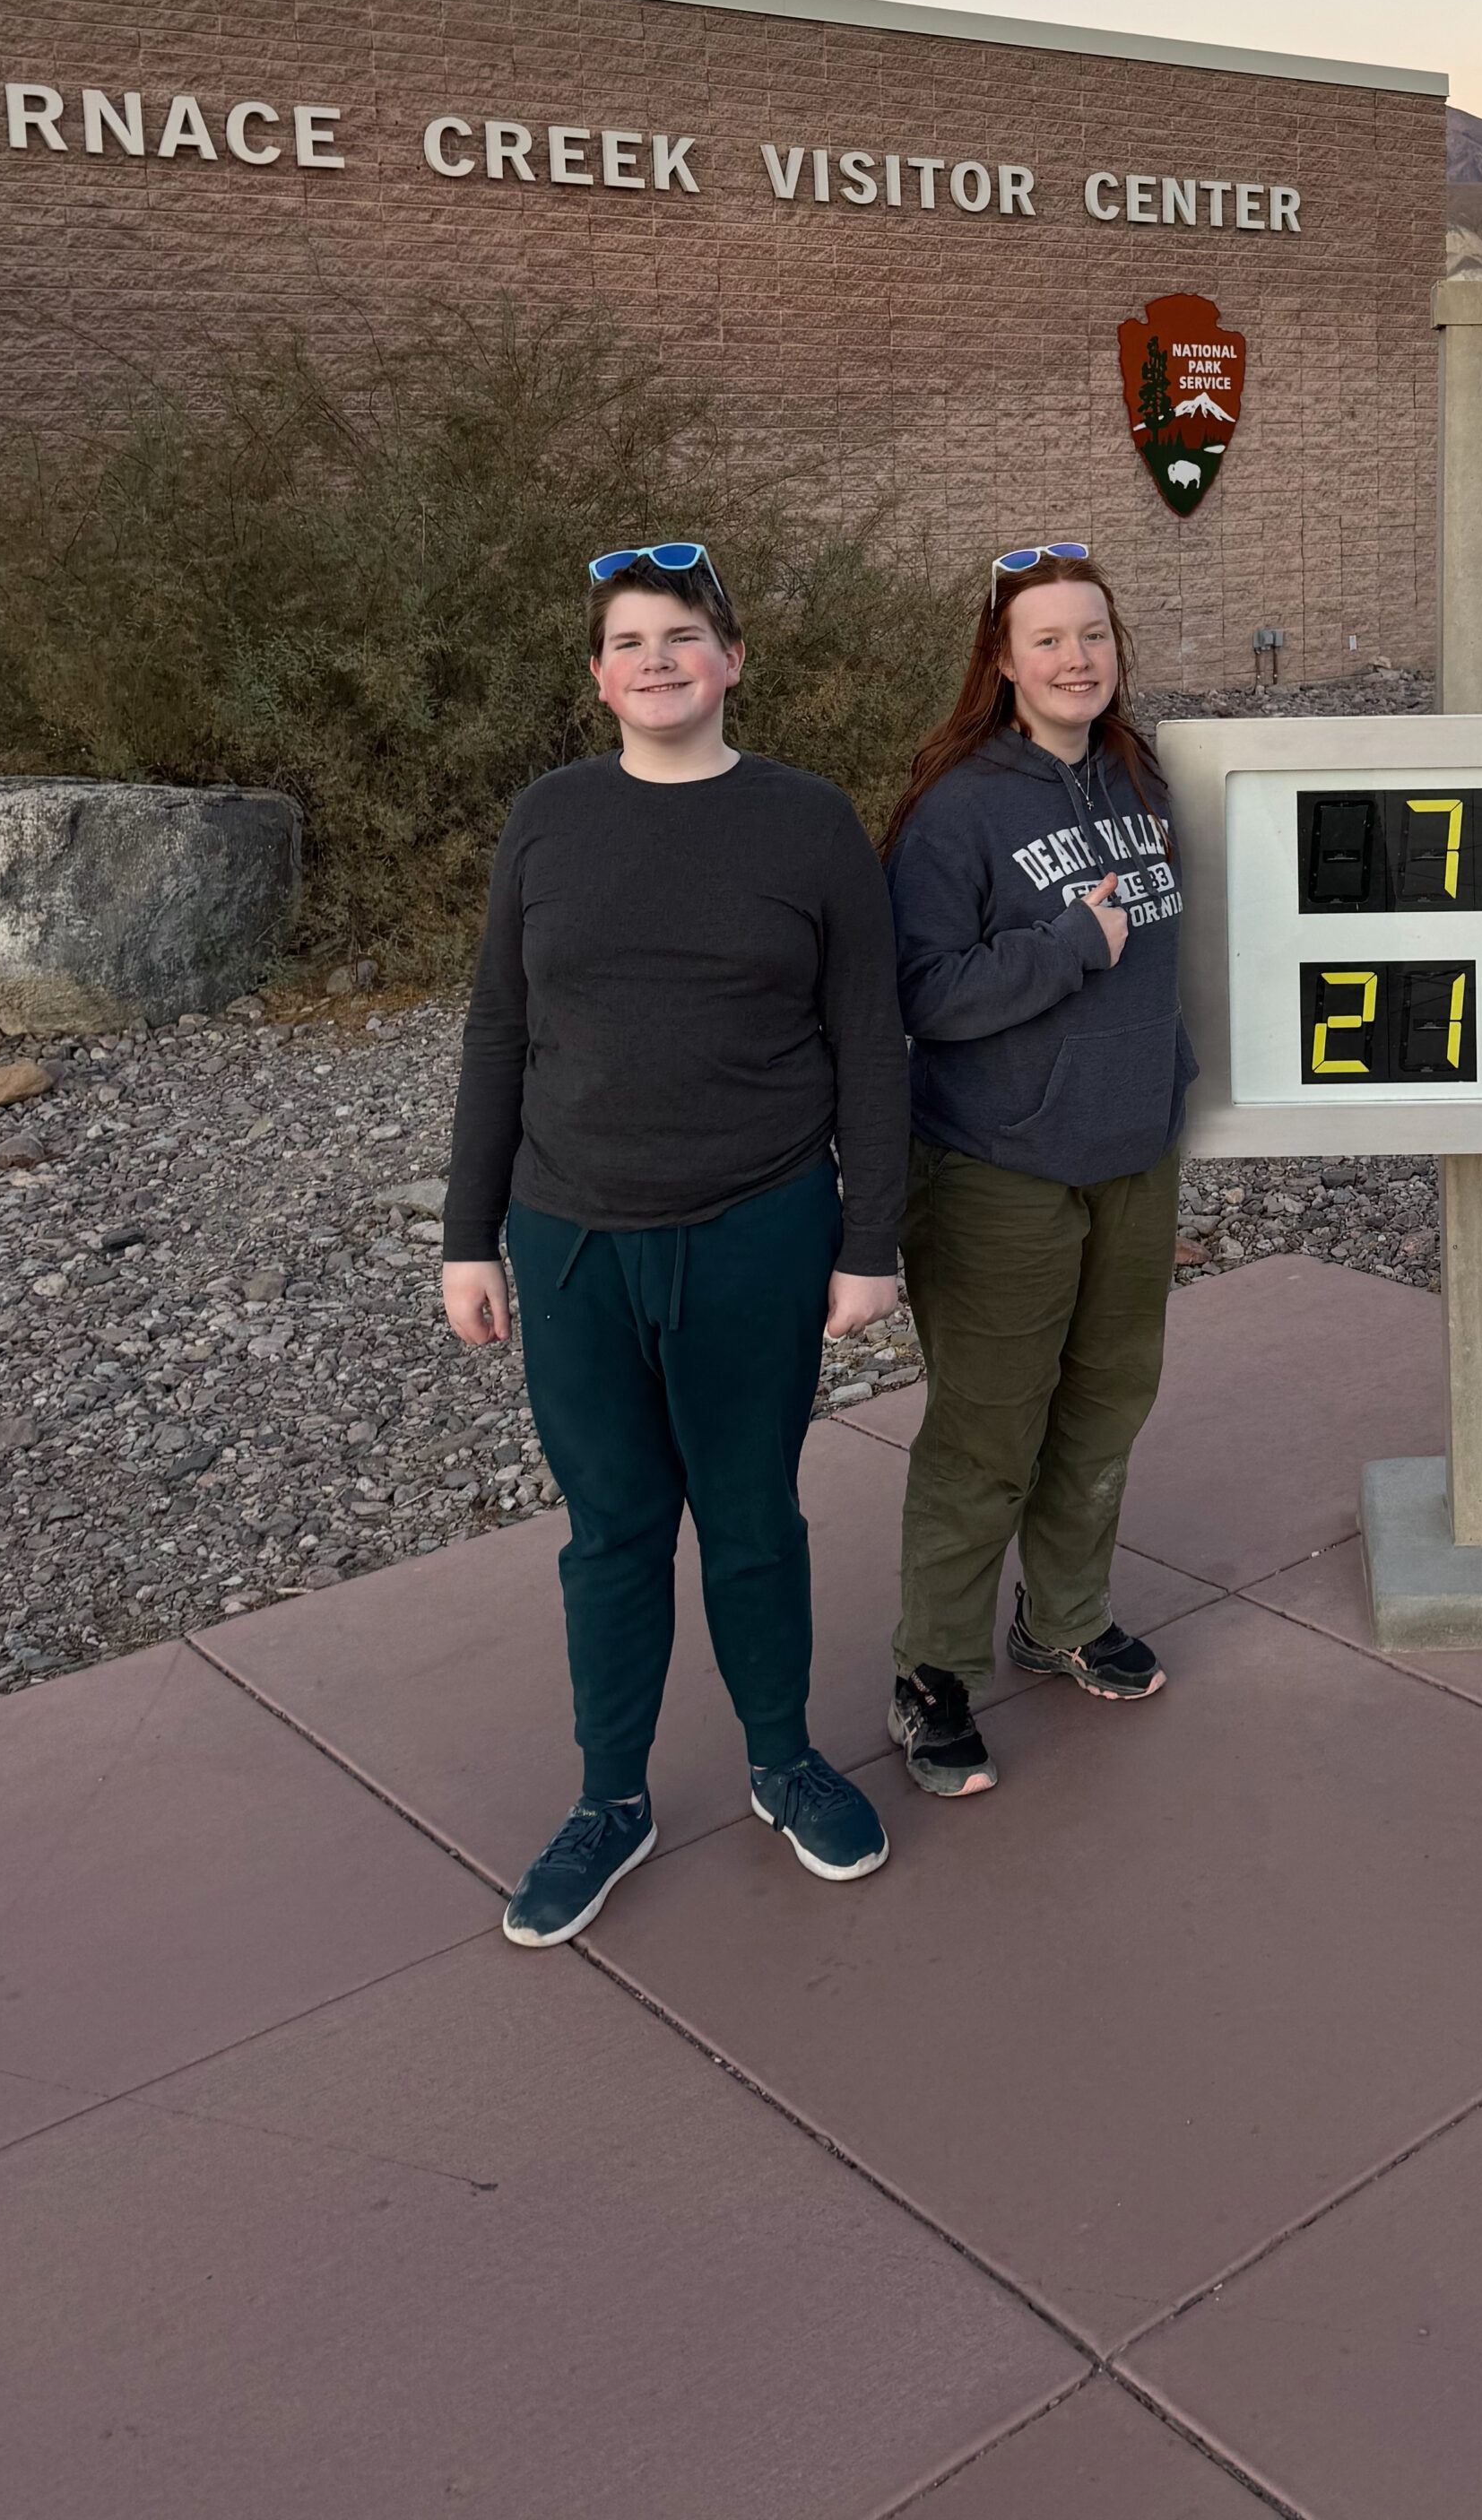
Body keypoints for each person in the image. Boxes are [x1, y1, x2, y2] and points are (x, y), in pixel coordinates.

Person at [440, 543, 912, 1946]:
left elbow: (869, 1044)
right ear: (599, 677)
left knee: (753, 1517)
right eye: (632, 640)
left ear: (733, 662)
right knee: (613, 1532)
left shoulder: (809, 823)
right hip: (569, 1237)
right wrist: (469, 1237)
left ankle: (782, 1759)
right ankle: (611, 1800)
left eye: (685, 635)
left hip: (759, 1229)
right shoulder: (548, 819)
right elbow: (497, 1033)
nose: (659, 659)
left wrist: (869, 1241)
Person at [879, 541, 1192, 1798]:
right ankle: (933, 1672)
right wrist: (1066, 947)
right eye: (1051, 638)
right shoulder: (958, 807)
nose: (1078, 658)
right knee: (987, 1430)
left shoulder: (1138, 778)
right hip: (997, 1168)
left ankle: (1062, 1617)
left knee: (1106, 1404)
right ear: (1002, 662)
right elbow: (919, 991)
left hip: (1130, 1158)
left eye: (1096, 635)